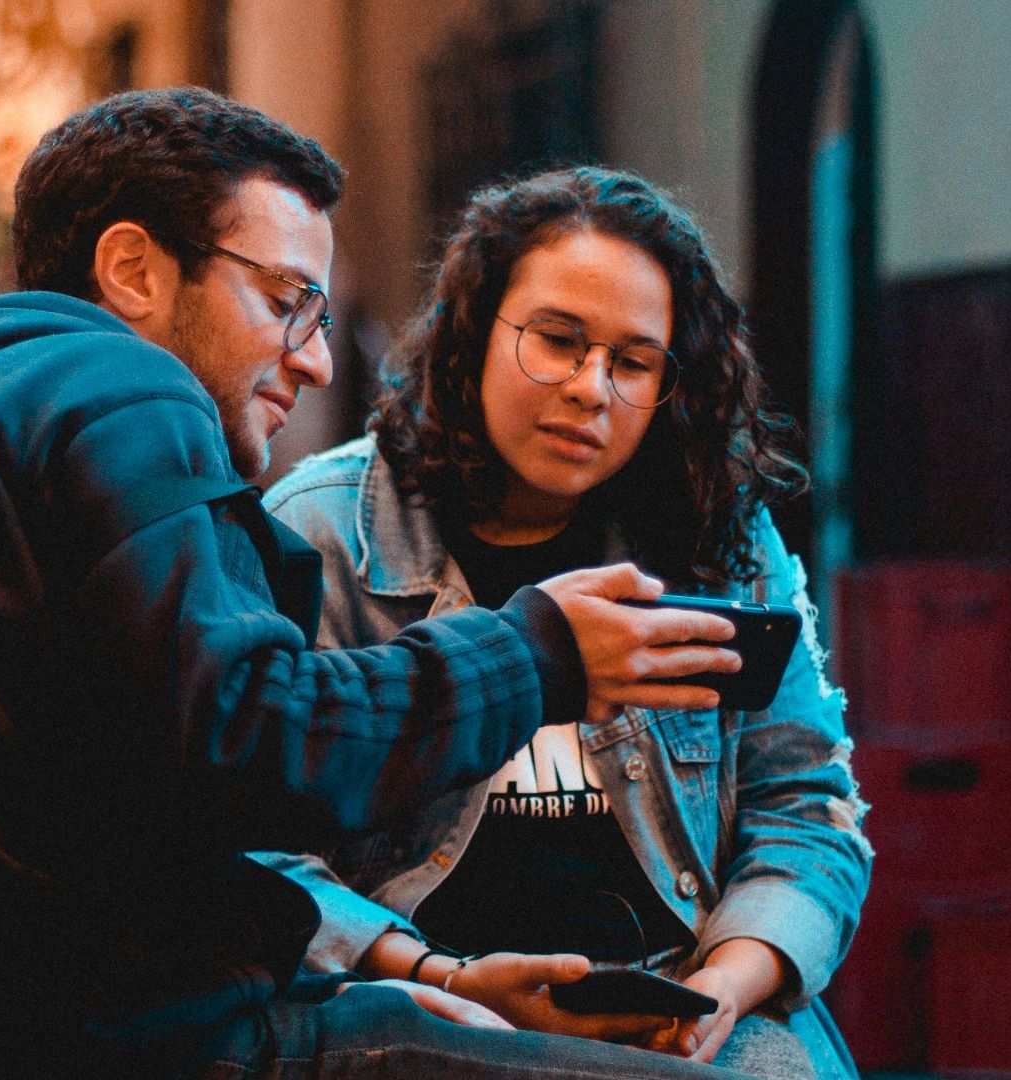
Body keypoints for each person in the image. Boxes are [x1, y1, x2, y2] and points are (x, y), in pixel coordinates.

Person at [0, 89, 755, 1079]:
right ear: (135, 271)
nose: (316, 359)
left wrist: (410, 982)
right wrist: (538, 652)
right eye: (288, 300)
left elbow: (145, 811)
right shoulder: (112, 386)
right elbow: (254, 737)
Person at [254, 166, 872, 1080]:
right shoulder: (324, 529)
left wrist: (725, 988)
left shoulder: (719, 534)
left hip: (680, 990)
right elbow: (250, 836)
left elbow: (809, 806)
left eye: (634, 363)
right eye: (557, 341)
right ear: (475, 332)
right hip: (429, 1002)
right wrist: (428, 974)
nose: (592, 389)